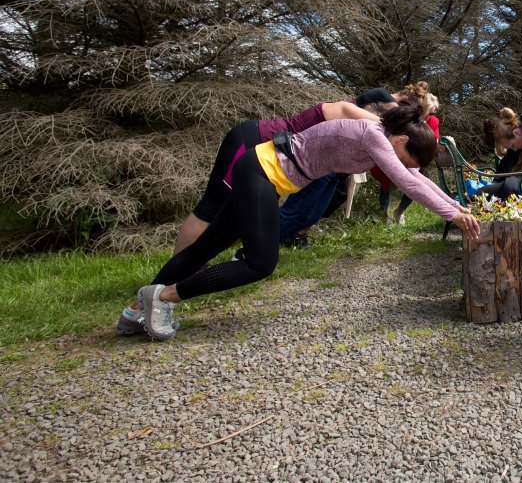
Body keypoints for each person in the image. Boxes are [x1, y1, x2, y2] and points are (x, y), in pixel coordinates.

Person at [118, 105, 481, 340]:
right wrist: (453, 214)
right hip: (262, 171)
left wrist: (456, 206)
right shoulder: (375, 138)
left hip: (260, 171)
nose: (405, 164)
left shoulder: (383, 135)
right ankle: (163, 296)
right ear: (400, 140)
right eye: (406, 156)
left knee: (207, 246)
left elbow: (415, 176)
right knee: (260, 264)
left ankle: (137, 310)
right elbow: (408, 181)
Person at [171, 96, 385, 255]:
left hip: (270, 164)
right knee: (209, 210)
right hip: (253, 142)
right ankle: (175, 271)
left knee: (243, 221)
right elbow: (383, 127)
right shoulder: (350, 112)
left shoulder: (364, 132)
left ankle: (197, 260)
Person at [276, 88, 399, 246]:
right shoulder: (353, 115)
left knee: (313, 213)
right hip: (318, 167)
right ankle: (261, 244)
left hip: (334, 173)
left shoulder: (370, 123)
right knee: (296, 209)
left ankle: (286, 237)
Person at [381, 93, 442, 225]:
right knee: (385, 184)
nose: (433, 112)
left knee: (415, 184)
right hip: (398, 153)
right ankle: (384, 215)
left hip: (416, 158)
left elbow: (434, 139)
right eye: (432, 108)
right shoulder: (410, 117)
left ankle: (400, 211)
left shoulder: (433, 121)